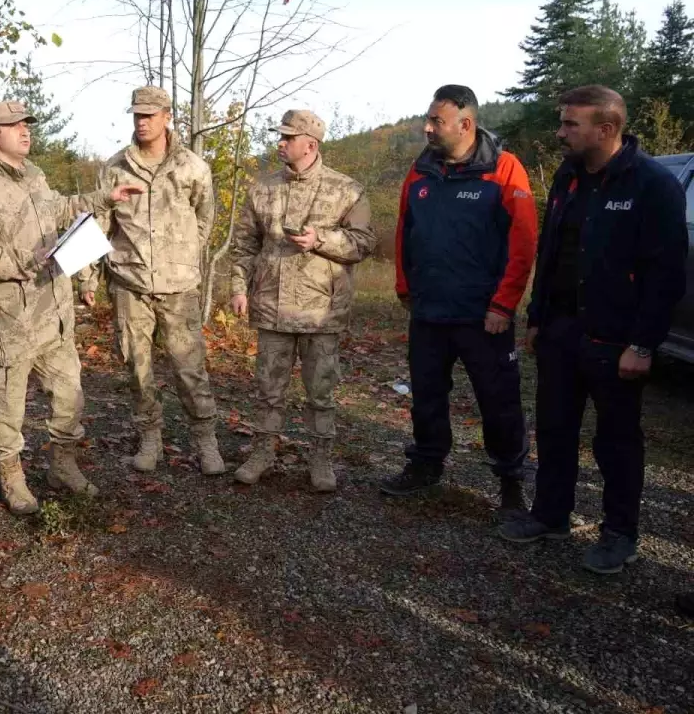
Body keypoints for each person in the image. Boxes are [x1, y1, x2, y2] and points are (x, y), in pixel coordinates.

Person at [501, 86, 687, 575]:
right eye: (562, 121)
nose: (560, 132)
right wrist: (537, 318)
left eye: (570, 124)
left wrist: (642, 344)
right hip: (561, 332)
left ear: (606, 129)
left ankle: (619, 534)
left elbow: (666, 274)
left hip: (615, 338)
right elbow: (550, 252)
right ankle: (551, 515)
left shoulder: (651, 183)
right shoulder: (568, 177)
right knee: (555, 427)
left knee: (616, 440)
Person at [0, 101, 142, 515]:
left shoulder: (35, 176)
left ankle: (63, 466)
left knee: (69, 397)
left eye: (26, 124)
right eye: (14, 126)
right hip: (13, 321)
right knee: (8, 407)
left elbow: (59, 208)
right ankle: (11, 476)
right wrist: (27, 261)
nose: (25, 131)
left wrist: (104, 198)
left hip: (54, 315)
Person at [382, 84, 537, 513]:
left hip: (483, 315)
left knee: (498, 400)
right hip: (429, 310)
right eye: (428, 119)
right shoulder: (420, 171)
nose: (427, 127)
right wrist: (404, 286)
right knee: (427, 394)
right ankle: (426, 464)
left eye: (437, 120)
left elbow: (523, 243)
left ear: (465, 124)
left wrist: (503, 304)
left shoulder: (504, 169)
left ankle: (510, 482)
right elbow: (405, 231)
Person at [77, 86, 224, 475]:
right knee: (137, 368)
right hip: (130, 284)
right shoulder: (115, 168)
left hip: (179, 287)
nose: (142, 122)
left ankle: (206, 441)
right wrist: (88, 278)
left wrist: (180, 258)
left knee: (189, 369)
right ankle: (150, 440)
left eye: (149, 115)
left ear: (167, 117)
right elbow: (100, 226)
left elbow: (204, 220)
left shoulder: (193, 167)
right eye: (137, 115)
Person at [229, 110, 377, 489]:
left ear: (310, 144)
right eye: (280, 136)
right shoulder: (262, 189)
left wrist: (320, 240)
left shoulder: (347, 190)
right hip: (271, 307)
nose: (280, 143)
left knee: (321, 392)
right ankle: (263, 452)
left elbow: (364, 243)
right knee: (268, 390)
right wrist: (238, 287)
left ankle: (321, 460)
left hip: (321, 312)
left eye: (288, 137)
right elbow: (244, 245)